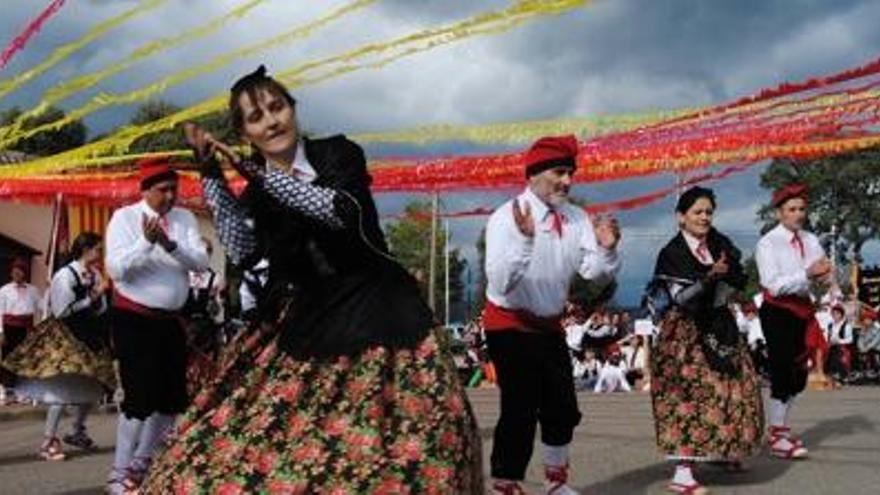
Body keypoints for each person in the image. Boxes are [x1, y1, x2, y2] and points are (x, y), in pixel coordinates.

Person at [141, 66, 482, 493]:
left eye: (277, 106)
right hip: (311, 317)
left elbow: (336, 210)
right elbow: (243, 249)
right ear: (245, 132)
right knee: (253, 441)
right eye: (256, 117)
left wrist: (253, 171)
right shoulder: (257, 191)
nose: (271, 121)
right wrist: (210, 172)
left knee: (416, 439)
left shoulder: (338, 154)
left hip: (379, 309)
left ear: (293, 109)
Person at [483, 134, 621, 494]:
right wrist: (526, 241)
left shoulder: (576, 217)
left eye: (571, 173)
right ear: (533, 174)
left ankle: (555, 482)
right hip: (509, 324)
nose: (568, 181)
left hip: (549, 326)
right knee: (520, 408)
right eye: (560, 172)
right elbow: (500, 281)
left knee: (562, 407)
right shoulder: (506, 217)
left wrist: (607, 250)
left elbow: (593, 272)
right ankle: (505, 482)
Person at [104, 158, 211, 493]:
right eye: (162, 190)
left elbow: (201, 261)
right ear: (146, 190)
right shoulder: (124, 218)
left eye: (173, 188)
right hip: (134, 320)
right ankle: (118, 474)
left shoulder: (184, 218)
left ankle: (142, 462)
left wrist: (169, 244)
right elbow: (117, 270)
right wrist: (146, 243)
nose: (170, 195)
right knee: (138, 400)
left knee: (171, 400)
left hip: (171, 322)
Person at [649, 187, 763, 494]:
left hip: (719, 324)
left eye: (708, 212)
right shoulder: (671, 253)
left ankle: (724, 449)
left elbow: (737, 280)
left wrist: (724, 282)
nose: (704, 217)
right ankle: (682, 471)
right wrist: (709, 278)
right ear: (681, 217)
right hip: (685, 331)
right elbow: (679, 298)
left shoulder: (720, 243)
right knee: (690, 395)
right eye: (697, 212)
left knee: (737, 387)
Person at [3, 232, 115, 461]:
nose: (100, 253)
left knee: (94, 383)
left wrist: (101, 300)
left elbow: (101, 308)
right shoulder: (65, 275)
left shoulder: (94, 273)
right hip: (65, 336)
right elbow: (63, 310)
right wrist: (93, 296)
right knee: (60, 389)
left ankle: (77, 430)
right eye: (97, 249)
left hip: (89, 334)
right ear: (85, 249)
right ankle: (48, 440)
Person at [756, 183, 831, 460]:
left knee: (799, 373)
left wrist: (825, 278)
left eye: (801, 208)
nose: (798, 214)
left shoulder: (810, 239)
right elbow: (773, 285)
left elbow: (818, 274)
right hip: (778, 311)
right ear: (779, 213)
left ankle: (780, 428)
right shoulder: (768, 243)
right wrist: (808, 274)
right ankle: (778, 433)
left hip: (803, 309)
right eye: (791, 209)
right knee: (783, 368)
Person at [0, 258, 42, 404]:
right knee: (8, 360)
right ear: (11, 273)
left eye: (21, 270)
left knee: (25, 360)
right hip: (9, 328)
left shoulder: (33, 290)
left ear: (25, 273)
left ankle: (22, 391)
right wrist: (1, 331)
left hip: (26, 328)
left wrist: (51, 292)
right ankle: (7, 390)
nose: (17, 273)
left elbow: (42, 306)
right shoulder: (4, 290)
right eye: (15, 270)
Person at [826, 304, 854, 381]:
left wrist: (839, 341)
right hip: (832, 346)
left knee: (837, 352)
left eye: (837, 314)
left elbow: (850, 339)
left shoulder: (846, 325)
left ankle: (840, 373)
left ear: (841, 315)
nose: (835, 316)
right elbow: (829, 337)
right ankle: (829, 372)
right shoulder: (830, 325)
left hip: (842, 347)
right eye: (833, 314)